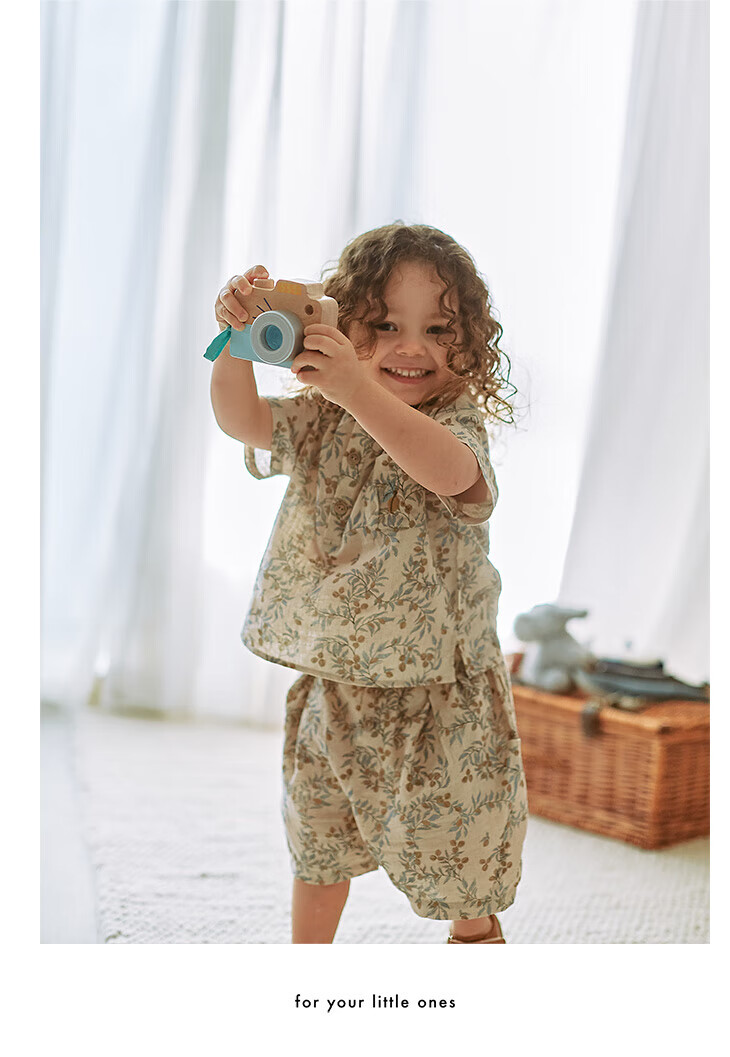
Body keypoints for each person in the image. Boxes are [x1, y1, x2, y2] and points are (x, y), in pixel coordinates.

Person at [209, 222, 528, 944]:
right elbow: (242, 420)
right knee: (318, 845)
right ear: (343, 323)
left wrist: (356, 388)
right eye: (385, 325)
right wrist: (233, 340)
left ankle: (474, 942)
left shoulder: (452, 420)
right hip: (337, 683)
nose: (411, 347)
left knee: (462, 862)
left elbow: (452, 474)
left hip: (440, 700)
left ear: (471, 344)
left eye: (438, 329)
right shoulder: (324, 417)